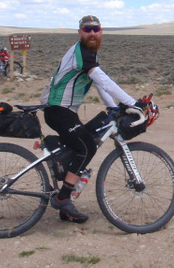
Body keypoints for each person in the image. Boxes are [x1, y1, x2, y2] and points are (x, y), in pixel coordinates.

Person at [41, 15, 141, 223]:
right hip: (58, 109)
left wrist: (114, 108)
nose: (92, 33)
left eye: (96, 29)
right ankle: (62, 198)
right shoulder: (83, 54)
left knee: (80, 144)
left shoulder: (88, 55)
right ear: (80, 33)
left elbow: (100, 85)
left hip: (64, 110)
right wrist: (133, 104)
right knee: (86, 146)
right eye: (87, 29)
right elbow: (105, 80)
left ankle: (65, 206)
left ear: (101, 32)